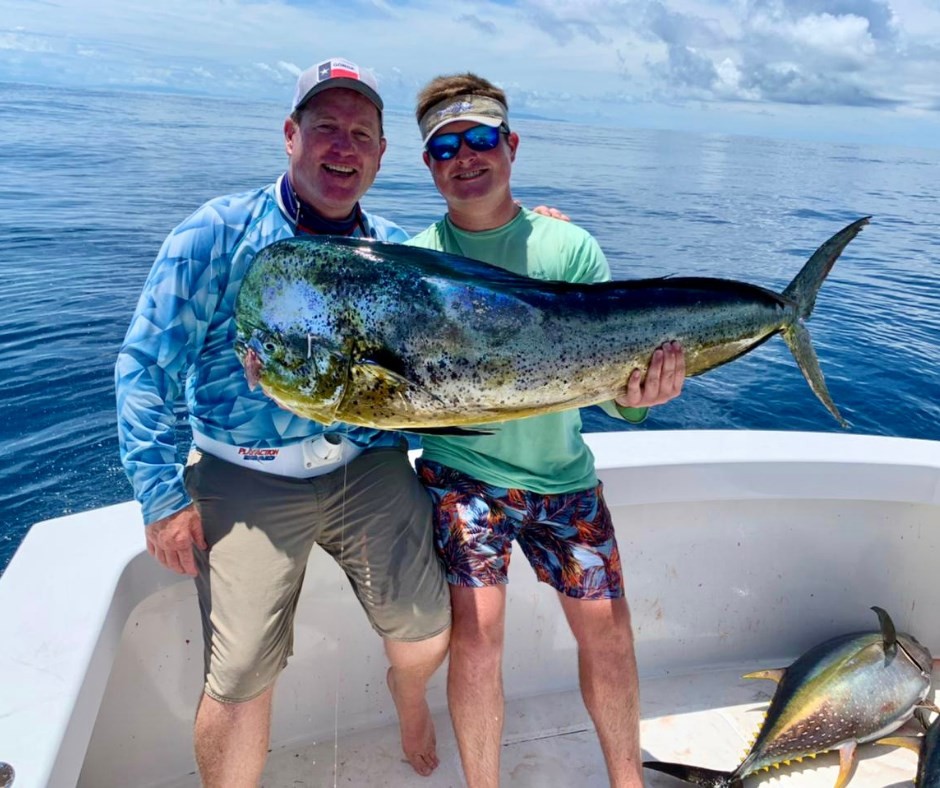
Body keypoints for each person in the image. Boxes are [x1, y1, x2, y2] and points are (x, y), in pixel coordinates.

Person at [115, 58, 451, 786]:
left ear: (381, 154)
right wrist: (161, 496)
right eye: (325, 127)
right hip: (246, 474)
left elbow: (483, 297)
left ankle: (409, 693)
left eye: (361, 132)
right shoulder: (214, 234)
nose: (343, 145)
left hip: (369, 468)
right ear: (289, 135)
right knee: (237, 678)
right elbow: (143, 369)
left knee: (428, 631)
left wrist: (529, 229)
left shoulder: (398, 250)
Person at [407, 73, 687, 788]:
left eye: (480, 139)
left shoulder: (571, 251)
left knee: (609, 634)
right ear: (429, 163)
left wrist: (644, 398)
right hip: (461, 475)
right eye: (446, 147)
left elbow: (615, 390)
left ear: (511, 145)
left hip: (561, 476)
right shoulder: (414, 264)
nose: (465, 157)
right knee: (478, 632)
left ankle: (628, 781)